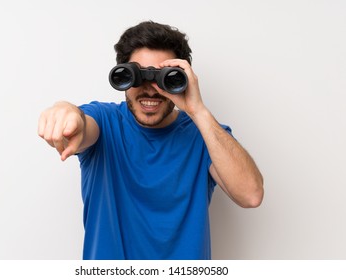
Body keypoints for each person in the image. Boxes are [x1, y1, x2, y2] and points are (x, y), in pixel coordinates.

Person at [38, 21, 264, 260]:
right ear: (124, 76)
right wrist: (64, 110)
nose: (150, 90)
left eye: (162, 77)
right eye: (137, 75)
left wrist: (198, 110)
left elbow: (251, 194)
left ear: (182, 79)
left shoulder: (204, 135)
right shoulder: (105, 122)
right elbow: (81, 124)